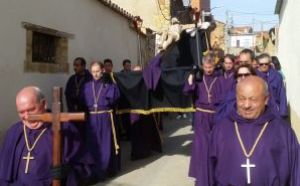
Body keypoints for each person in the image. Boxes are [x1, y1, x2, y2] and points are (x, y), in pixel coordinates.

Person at [210, 76, 299, 185]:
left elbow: (296, 173)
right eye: (242, 99)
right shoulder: (221, 129)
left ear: (266, 99)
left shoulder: (282, 131)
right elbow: (208, 171)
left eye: (253, 99)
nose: (246, 105)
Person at [0, 86, 92, 185]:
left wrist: (68, 172)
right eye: (21, 112)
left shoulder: (65, 130)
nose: (27, 116)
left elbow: (85, 167)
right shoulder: (14, 132)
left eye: (31, 110)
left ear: (43, 104)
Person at [184, 56, 223, 185]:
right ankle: (202, 175)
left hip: (215, 116)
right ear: (203, 66)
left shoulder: (220, 79)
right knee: (202, 147)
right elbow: (188, 90)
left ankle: (214, 174)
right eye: (205, 67)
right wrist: (191, 77)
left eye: (210, 67)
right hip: (201, 116)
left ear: (214, 66)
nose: (208, 70)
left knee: (216, 145)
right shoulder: (199, 79)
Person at [81, 61, 120, 180]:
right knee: (92, 144)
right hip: (92, 118)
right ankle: (93, 172)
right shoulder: (87, 85)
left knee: (105, 144)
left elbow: (113, 99)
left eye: (97, 71)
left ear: (102, 70)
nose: (95, 74)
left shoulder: (108, 84)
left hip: (104, 117)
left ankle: (105, 170)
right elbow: (82, 100)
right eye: (93, 72)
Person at [256, 53, 288, 118]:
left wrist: (282, 113)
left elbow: (282, 95)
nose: (264, 66)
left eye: (266, 64)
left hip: (274, 111)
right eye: (261, 64)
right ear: (258, 65)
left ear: (270, 64)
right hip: (259, 111)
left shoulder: (277, 76)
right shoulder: (254, 76)